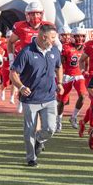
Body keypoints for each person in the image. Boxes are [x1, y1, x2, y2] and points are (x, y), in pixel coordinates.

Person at [10, 23, 64, 167]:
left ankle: (39, 139)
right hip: (31, 98)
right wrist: (21, 87)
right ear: (43, 36)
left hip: (50, 97)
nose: (54, 41)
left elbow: (59, 66)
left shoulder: (55, 51)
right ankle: (31, 158)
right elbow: (13, 73)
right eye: (52, 38)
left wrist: (59, 82)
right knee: (30, 130)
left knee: (50, 129)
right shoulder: (26, 52)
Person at [7, 1, 53, 112]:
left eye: (37, 13)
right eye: (32, 14)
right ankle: (23, 100)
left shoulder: (48, 26)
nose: (35, 16)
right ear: (27, 15)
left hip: (42, 57)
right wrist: (11, 59)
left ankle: (43, 104)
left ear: (42, 14)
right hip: (27, 59)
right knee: (24, 81)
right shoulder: (21, 26)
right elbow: (11, 42)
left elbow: (54, 42)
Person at [56, 26, 87, 131]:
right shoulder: (65, 47)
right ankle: (58, 120)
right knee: (62, 101)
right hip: (67, 75)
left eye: (82, 36)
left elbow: (86, 61)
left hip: (78, 75)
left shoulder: (85, 48)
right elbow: (60, 63)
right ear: (72, 37)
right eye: (77, 36)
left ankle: (73, 117)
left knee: (83, 96)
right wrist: (61, 76)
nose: (79, 38)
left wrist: (85, 71)